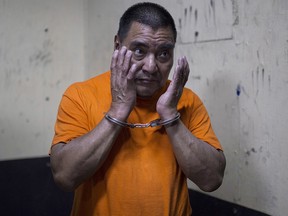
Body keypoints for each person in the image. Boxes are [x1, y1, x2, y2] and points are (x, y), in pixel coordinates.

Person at [50, 2, 226, 216]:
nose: (151, 66)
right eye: (139, 51)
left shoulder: (186, 100)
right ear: (117, 46)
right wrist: (117, 110)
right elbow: (65, 177)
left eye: (163, 54)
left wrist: (171, 116)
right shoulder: (80, 95)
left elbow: (212, 180)